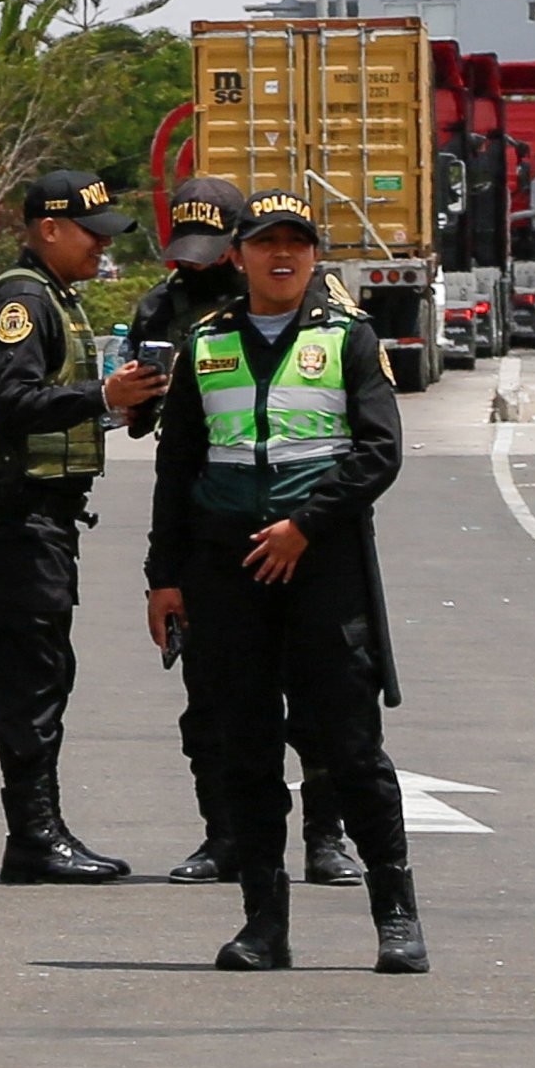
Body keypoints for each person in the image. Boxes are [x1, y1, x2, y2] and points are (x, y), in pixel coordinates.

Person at [149, 187, 423, 973]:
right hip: (227, 567)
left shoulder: (348, 339)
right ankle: (263, 923)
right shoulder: (207, 342)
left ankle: (396, 919)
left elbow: (378, 452)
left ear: (313, 255)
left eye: (296, 243)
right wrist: (162, 578)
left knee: (350, 745)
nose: (281, 256)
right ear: (237, 255)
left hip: (320, 562)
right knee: (245, 746)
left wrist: (305, 524)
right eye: (265, 242)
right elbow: (177, 468)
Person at [119, 178, 361, 889]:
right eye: (185, 255)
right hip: (213, 532)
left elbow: (364, 434)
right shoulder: (162, 309)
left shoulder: (316, 311)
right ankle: (223, 835)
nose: (195, 268)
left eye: (210, 253)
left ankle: (325, 837)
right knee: (213, 702)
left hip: (302, 531)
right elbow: (157, 443)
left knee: (318, 699)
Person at [0, 169, 167, 884]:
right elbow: (16, 400)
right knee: (30, 682)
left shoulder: (56, 298)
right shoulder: (20, 302)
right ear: (47, 229)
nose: (102, 251)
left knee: (46, 674)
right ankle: (34, 837)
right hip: (13, 516)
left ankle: (38, 831)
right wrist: (99, 395)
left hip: (40, 517)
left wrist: (121, 406)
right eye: (91, 235)